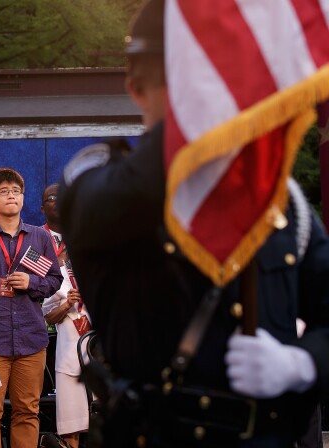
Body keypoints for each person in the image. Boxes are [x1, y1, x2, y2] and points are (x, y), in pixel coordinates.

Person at [59, 0, 329, 446]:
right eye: (192, 77)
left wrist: (303, 364)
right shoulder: (95, 178)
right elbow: (108, 207)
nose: (214, 94)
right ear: (137, 90)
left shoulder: (285, 204)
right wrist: (215, 113)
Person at [0, 167, 63, 448]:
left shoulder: (39, 239)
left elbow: (54, 279)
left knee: (28, 412)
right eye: (3, 192)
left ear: (23, 197)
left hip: (32, 339)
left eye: (16, 191)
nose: (11, 196)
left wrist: (32, 282)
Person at [40, 183, 90, 448]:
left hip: (91, 335)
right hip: (47, 336)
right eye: (51, 198)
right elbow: (32, 286)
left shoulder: (87, 235)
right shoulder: (35, 239)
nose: (58, 201)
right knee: (69, 412)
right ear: (41, 207)